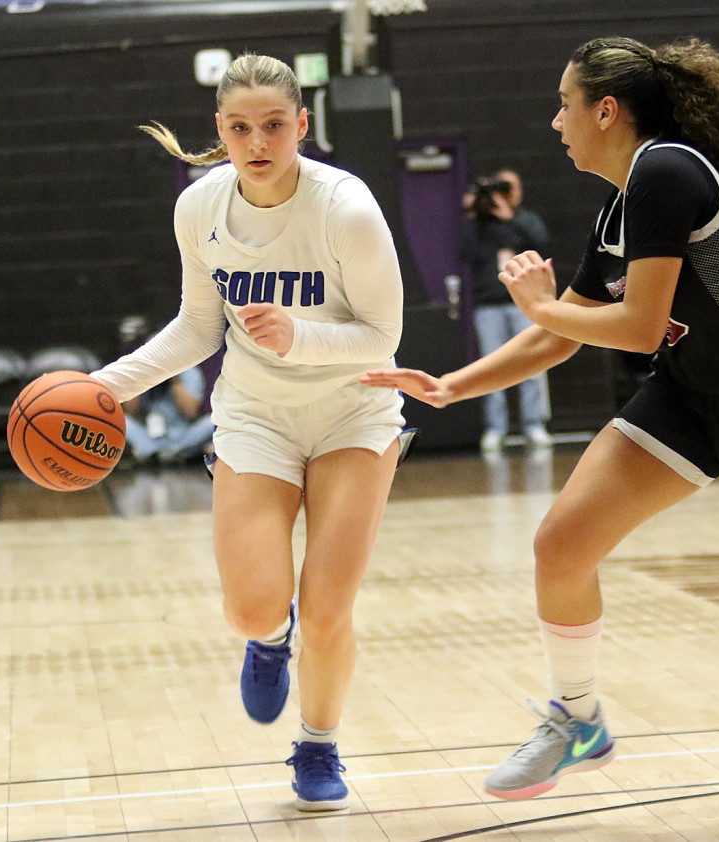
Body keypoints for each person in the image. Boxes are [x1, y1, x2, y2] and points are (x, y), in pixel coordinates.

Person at [362, 35, 719, 801]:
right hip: (690, 397)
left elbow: (638, 325)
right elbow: (563, 334)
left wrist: (540, 302)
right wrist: (454, 385)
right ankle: (577, 719)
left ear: (607, 109)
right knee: (561, 545)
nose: (556, 121)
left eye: (565, 104)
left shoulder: (667, 169)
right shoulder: (623, 206)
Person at [90, 53, 408, 812]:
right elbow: (198, 328)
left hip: (352, 413)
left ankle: (318, 745)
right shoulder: (200, 208)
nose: (258, 141)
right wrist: (107, 386)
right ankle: (268, 640)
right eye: (240, 128)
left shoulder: (347, 208)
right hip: (257, 418)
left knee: (329, 609)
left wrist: (301, 336)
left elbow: (384, 333)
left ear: (302, 125)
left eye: (274, 125)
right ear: (221, 132)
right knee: (253, 608)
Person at [462, 168, 554, 451]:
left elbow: (541, 244)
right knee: (492, 366)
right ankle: (495, 428)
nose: (506, 193)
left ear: (519, 192)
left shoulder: (525, 220)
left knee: (532, 364)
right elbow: (465, 253)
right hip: (489, 305)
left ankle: (533, 425)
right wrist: (474, 213)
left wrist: (509, 218)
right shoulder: (479, 224)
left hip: (526, 305)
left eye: (510, 187)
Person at [122, 365, 215, 465]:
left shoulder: (190, 372)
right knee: (123, 421)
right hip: (147, 437)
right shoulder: (143, 370)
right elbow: (130, 412)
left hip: (181, 437)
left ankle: (171, 454)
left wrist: (174, 379)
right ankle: (152, 453)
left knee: (210, 422)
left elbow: (190, 412)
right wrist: (140, 381)